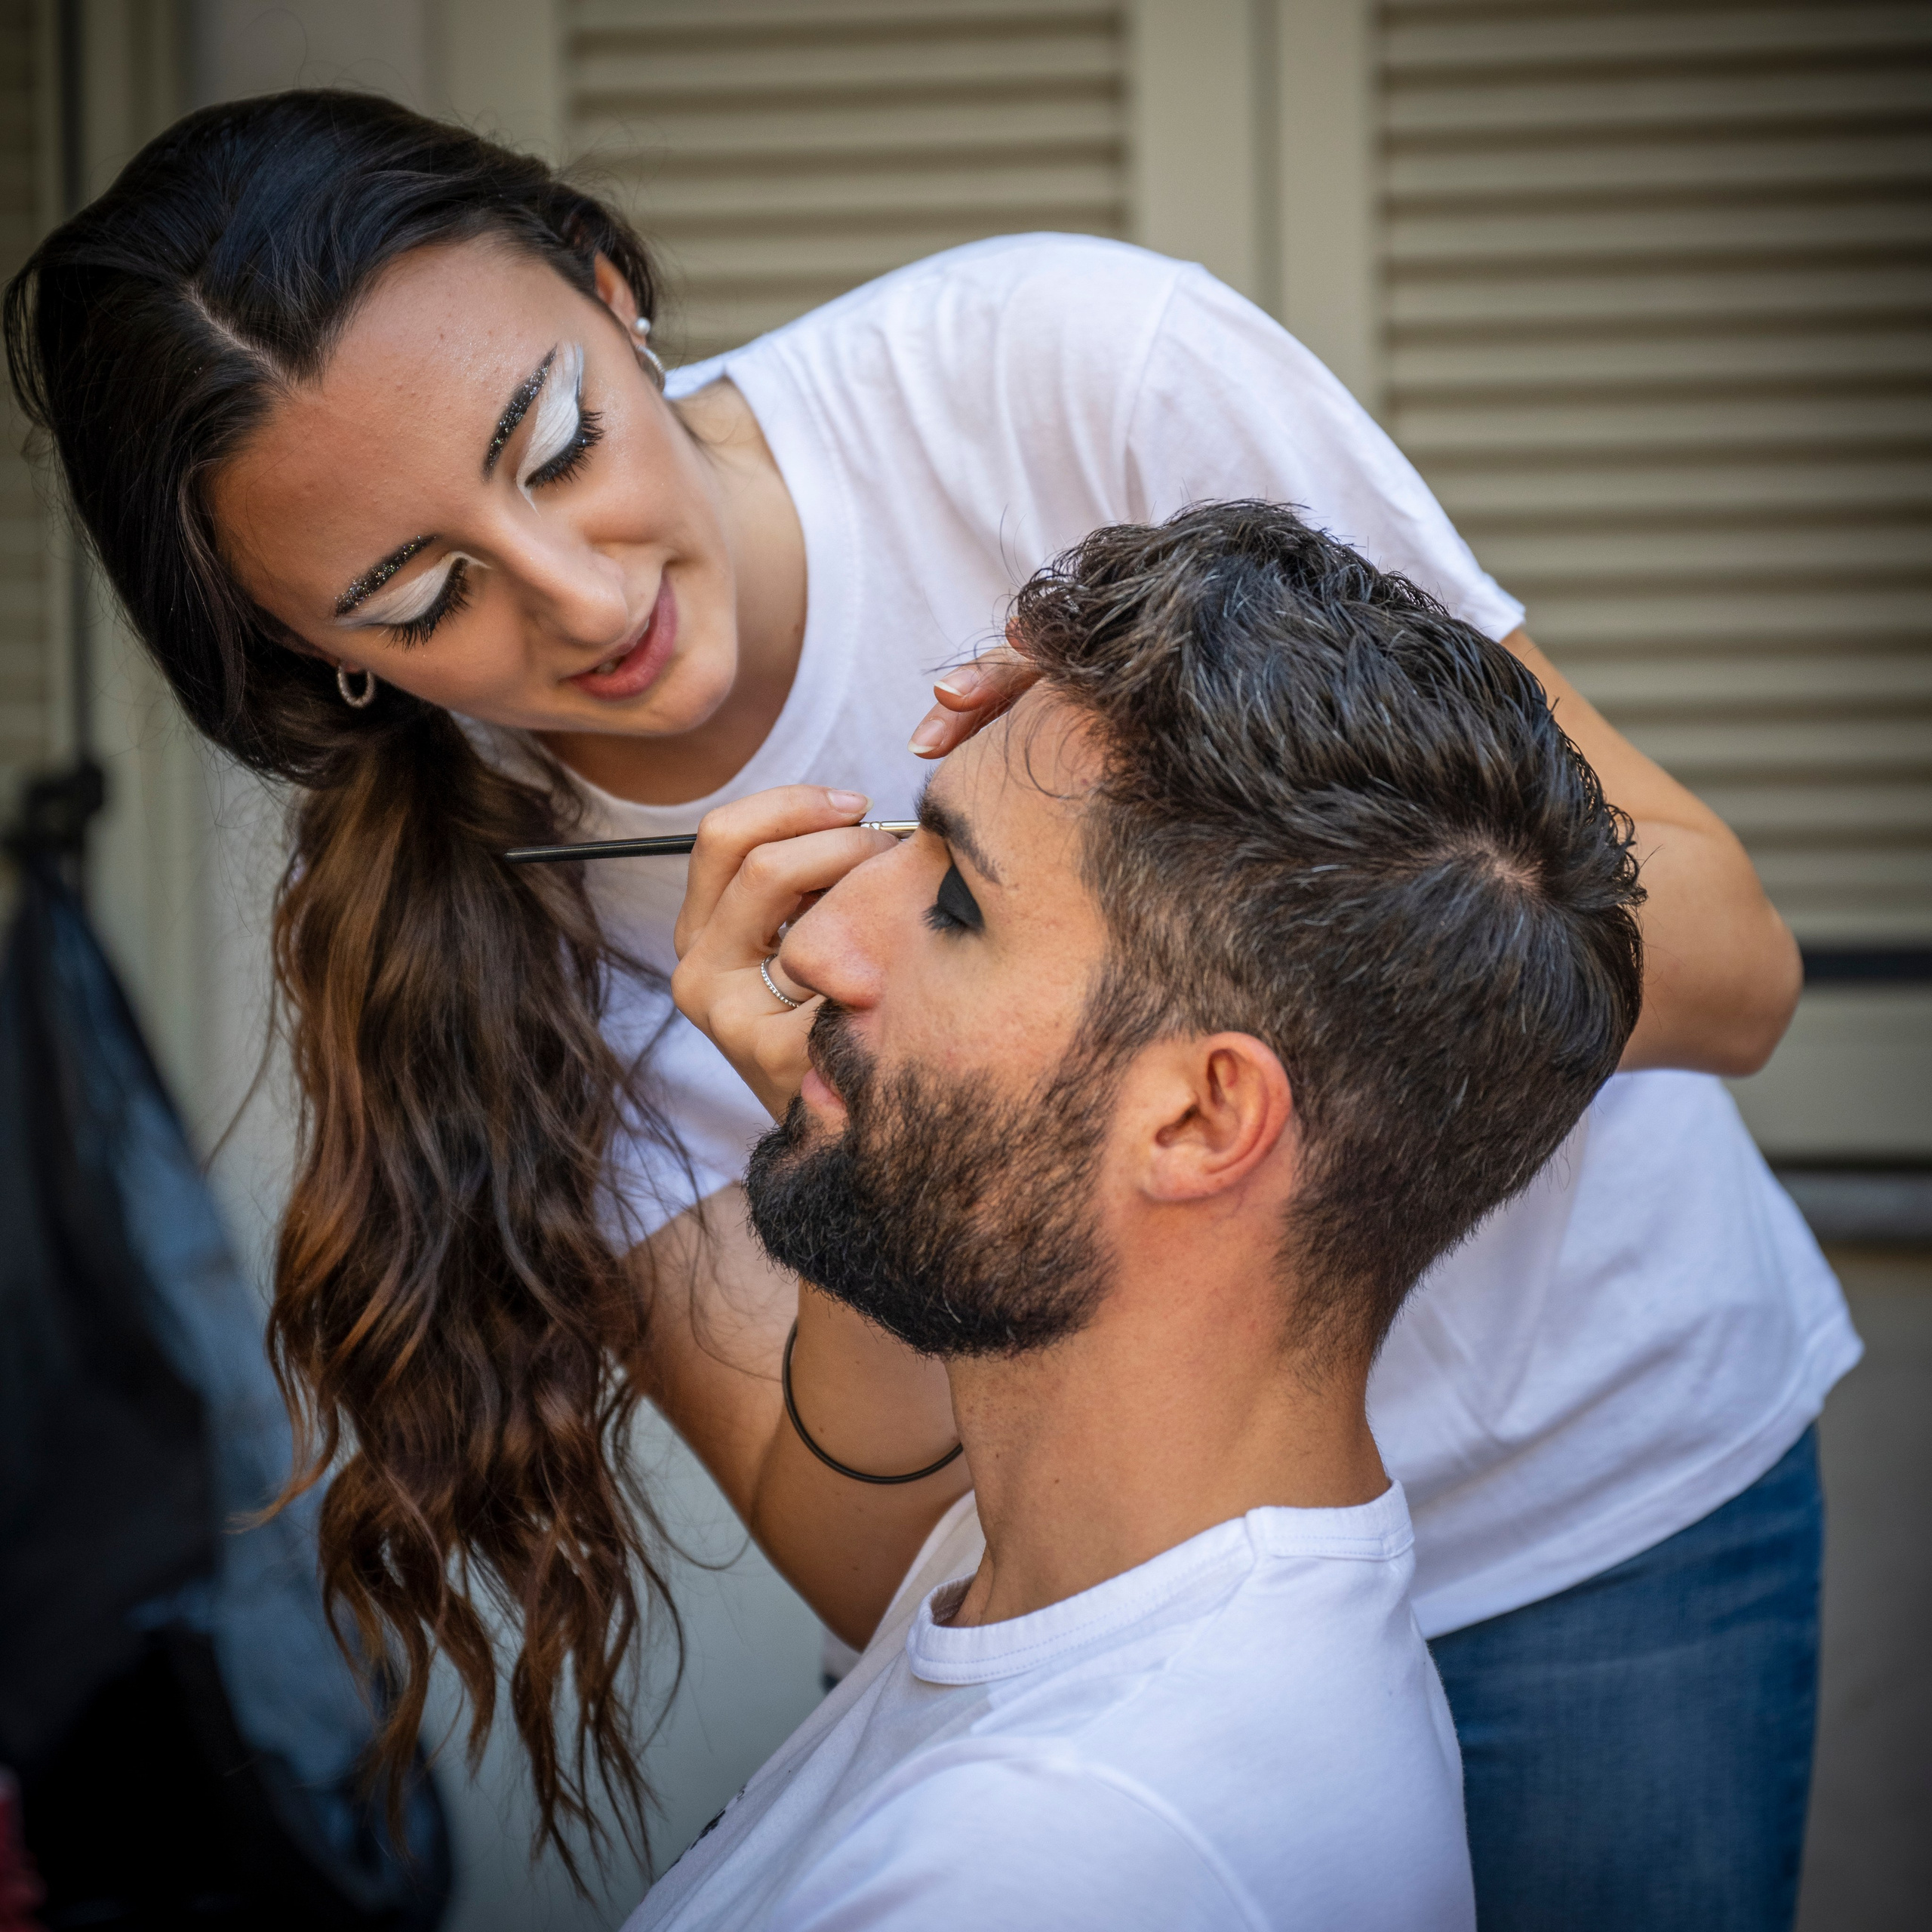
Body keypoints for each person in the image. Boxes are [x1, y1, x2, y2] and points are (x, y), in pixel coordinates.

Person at [4, 90, 1854, 1922]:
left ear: (611, 279)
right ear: (310, 657)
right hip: (1079, 1674)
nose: (578, 602)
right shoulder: (477, 932)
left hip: (1602, 1496)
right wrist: (851, 1100)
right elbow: (886, 1552)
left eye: (558, 442)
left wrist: (1217, 817)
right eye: (422, 596)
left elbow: (1726, 965)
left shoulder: (1059, 375)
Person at [629, 500, 1644, 1930]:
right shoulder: (1044, 1571)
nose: (812, 940)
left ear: (1201, 1121)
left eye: (958, 905)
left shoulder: (1059, 1863)